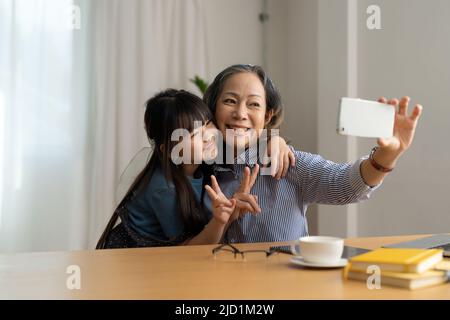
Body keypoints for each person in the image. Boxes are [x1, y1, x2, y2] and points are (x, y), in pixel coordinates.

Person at [203, 64, 423, 243]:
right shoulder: (196, 168)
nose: (240, 113)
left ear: (268, 116)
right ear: (213, 107)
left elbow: (346, 185)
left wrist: (388, 155)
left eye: (254, 104)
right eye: (230, 101)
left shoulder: (289, 164)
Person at [95, 89, 288, 249]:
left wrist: (276, 141)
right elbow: (189, 250)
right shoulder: (164, 187)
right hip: (134, 262)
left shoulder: (205, 161)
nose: (207, 136)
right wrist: (221, 220)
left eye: (206, 124)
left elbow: (250, 143)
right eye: (194, 133)